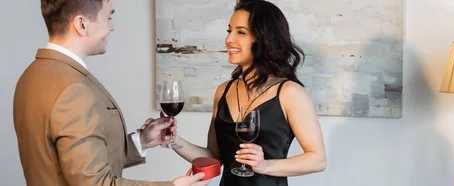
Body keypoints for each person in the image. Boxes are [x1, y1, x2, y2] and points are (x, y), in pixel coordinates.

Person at [12, 0, 210, 185]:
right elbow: (96, 182)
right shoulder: (74, 89)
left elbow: (75, 162)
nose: (112, 27)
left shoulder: (30, 76)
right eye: (108, 18)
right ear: (82, 24)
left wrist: (140, 141)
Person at [142, 0, 327, 185]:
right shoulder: (224, 91)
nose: (229, 39)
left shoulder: (289, 93)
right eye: (229, 31)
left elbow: (317, 159)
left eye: (241, 32)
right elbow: (214, 158)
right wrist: (174, 140)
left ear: (264, 38)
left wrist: (265, 165)